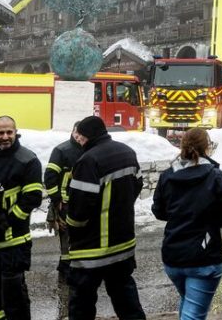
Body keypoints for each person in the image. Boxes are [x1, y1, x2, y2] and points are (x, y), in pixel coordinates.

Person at [66, 115, 146, 320]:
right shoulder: (127, 152)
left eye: (81, 138)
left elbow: (79, 210)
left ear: (87, 137)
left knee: (81, 306)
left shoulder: (88, 161)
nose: (79, 142)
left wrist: (72, 228)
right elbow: (137, 186)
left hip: (92, 249)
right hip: (123, 245)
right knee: (127, 302)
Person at [151, 128, 222, 320]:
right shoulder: (217, 177)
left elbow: (159, 211)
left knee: (188, 304)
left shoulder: (167, 176)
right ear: (207, 147)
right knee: (194, 315)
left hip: (173, 255)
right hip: (204, 257)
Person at [0, 115, 43, 320]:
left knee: (14, 298)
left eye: (9, 132)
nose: (5, 137)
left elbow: (32, 198)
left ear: (16, 132)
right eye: (1, 133)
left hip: (14, 242)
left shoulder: (28, 160)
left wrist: (6, 221)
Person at [44, 121, 85, 281]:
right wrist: (56, 200)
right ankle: (67, 267)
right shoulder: (62, 150)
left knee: (79, 234)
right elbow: (49, 177)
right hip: (65, 203)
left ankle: (68, 265)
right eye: (77, 132)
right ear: (73, 131)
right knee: (66, 234)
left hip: (82, 202)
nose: (79, 136)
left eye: (82, 133)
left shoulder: (89, 149)